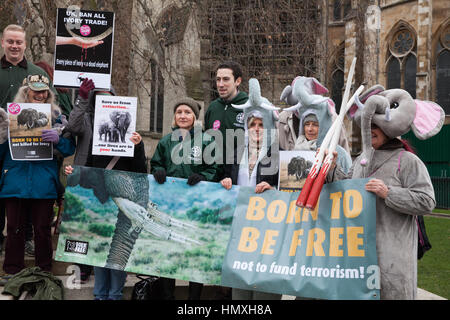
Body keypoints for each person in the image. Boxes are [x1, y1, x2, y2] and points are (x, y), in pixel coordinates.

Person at [326, 89, 443, 299]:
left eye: (376, 126)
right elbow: (348, 189)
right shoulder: (361, 159)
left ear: (388, 129)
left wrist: (388, 193)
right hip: (361, 258)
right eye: (368, 126)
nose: (370, 131)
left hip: (394, 261)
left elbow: (427, 201)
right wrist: (332, 169)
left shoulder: (407, 160)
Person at [65, 78, 147, 300]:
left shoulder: (131, 135)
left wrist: (138, 146)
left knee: (118, 249)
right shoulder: (96, 140)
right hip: (101, 200)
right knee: (100, 248)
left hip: (122, 199)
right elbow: (90, 170)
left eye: (109, 100)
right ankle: (100, 295)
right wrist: (75, 172)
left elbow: (140, 169)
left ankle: (115, 294)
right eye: (100, 100)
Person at [0, 74, 75, 276]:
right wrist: (2, 137)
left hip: (44, 180)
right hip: (15, 179)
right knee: (14, 228)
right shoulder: (8, 116)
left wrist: (59, 140)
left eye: (44, 91)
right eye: (36, 90)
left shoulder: (58, 117)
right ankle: (12, 270)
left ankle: (44, 270)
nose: (40, 94)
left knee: (42, 229)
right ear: (26, 91)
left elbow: (69, 149)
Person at [150, 97, 219, 300]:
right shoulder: (165, 141)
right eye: (179, 112)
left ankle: (193, 298)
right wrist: (158, 170)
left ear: (194, 117)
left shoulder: (206, 141)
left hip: (195, 205)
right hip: (169, 205)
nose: (182, 115)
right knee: (169, 251)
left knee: (193, 251)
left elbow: (213, 168)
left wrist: (203, 177)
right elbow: (155, 164)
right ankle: (167, 295)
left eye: (187, 112)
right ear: (174, 116)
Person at [220, 78, 281, 300]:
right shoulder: (236, 151)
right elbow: (226, 176)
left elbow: (287, 186)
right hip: (241, 226)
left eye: (260, 124)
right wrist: (226, 181)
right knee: (241, 286)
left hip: (267, 227)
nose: (256, 129)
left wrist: (272, 186)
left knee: (265, 285)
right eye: (252, 124)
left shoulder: (278, 153)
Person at [0, 24, 52, 258]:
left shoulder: (34, 71)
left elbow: (50, 103)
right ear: (3, 42)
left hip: (24, 147)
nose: (14, 46)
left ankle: (28, 240)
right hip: (1, 143)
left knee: (23, 198)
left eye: (18, 42)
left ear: (25, 44)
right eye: (10, 41)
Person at [203, 60, 248, 299]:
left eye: (226, 79)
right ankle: (220, 289)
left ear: (238, 81)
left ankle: (236, 289)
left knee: (239, 236)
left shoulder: (249, 105)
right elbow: (207, 145)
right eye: (218, 79)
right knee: (217, 236)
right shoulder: (212, 108)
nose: (220, 84)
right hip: (216, 182)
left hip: (241, 181)